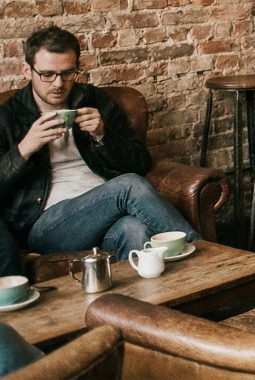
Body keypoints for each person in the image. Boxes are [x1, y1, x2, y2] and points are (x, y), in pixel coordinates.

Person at [0, 27, 199, 277]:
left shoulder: (93, 99)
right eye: (47, 75)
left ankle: (143, 311)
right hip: (48, 227)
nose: (59, 84)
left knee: (134, 228)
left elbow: (140, 163)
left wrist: (103, 134)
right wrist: (24, 149)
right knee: (128, 186)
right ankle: (205, 255)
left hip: (107, 212)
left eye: (68, 73)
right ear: (26, 70)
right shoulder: (8, 117)